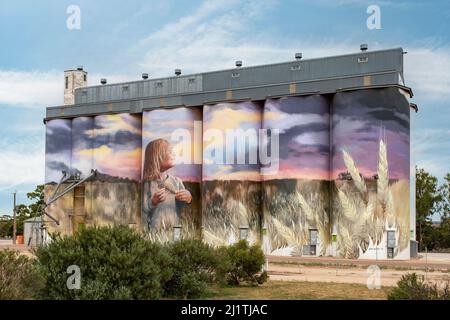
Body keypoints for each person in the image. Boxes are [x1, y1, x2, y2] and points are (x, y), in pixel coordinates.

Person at [142, 138, 192, 230]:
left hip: (175, 228)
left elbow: (182, 205)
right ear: (157, 157)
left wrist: (188, 198)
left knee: (176, 243)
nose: (174, 154)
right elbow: (144, 209)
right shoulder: (148, 184)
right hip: (156, 230)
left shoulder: (177, 181)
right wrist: (154, 202)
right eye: (170, 152)